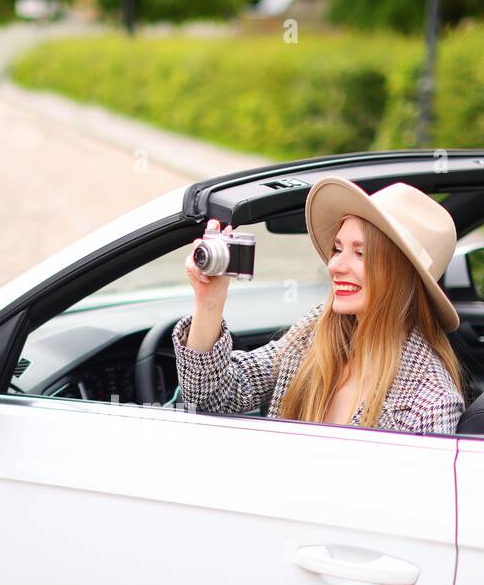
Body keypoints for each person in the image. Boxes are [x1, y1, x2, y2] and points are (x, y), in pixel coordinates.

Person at [172, 179, 465, 435]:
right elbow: (212, 399)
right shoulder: (315, 333)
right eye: (337, 249)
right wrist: (209, 301)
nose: (335, 265)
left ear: (402, 274)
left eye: (360, 253)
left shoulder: (431, 402)